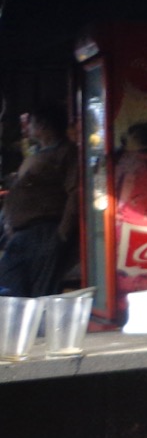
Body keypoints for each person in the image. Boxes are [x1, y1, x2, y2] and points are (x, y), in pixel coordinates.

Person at [0, 105, 79, 296]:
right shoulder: (39, 154)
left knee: (38, 294)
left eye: (32, 123)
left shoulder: (66, 152)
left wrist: (62, 233)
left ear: (43, 126)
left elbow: (75, 193)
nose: (28, 128)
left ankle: (38, 326)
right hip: (21, 232)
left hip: (44, 231)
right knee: (9, 290)